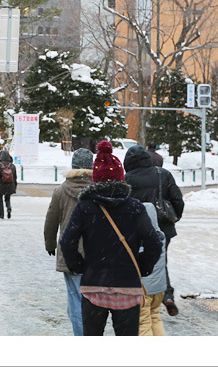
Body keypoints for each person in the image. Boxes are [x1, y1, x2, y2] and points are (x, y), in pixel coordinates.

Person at [60, 140, 162, 336]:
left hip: (93, 285)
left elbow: (67, 242)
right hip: (128, 286)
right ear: (121, 178)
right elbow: (153, 241)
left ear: (96, 179)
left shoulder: (85, 207)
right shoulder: (135, 207)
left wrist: (79, 267)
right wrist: (142, 266)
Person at [123, 144, 184, 317]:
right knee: (160, 260)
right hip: (163, 227)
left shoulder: (126, 178)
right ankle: (166, 295)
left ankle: (142, 298)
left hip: (137, 229)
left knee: (138, 262)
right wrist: (173, 219)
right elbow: (177, 200)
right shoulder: (162, 174)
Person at [43, 148, 94, 335]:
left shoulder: (61, 191)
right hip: (96, 252)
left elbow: (51, 220)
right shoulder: (99, 188)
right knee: (92, 300)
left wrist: (49, 244)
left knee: (75, 298)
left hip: (69, 252)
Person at [139, 202, 168, 336]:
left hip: (144, 288)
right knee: (155, 316)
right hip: (159, 288)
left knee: (143, 321)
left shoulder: (140, 239)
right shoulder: (161, 236)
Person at [0, 150, 17, 219]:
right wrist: (14, 186)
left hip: (1, 184)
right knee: (7, 198)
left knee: (0, 199)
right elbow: (15, 177)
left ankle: (1, 215)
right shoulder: (12, 166)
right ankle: (8, 207)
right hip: (10, 184)